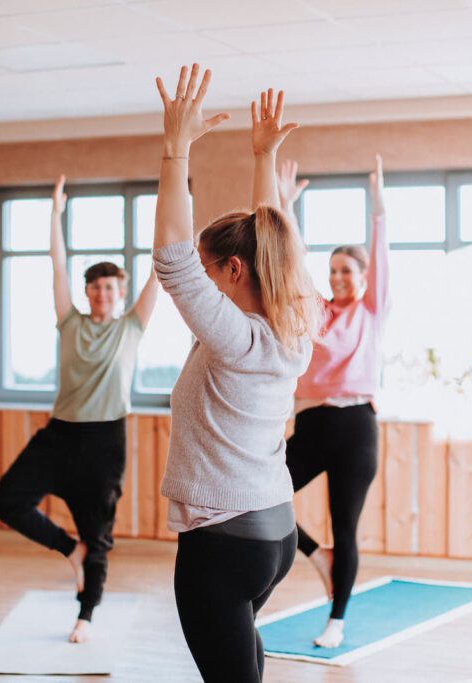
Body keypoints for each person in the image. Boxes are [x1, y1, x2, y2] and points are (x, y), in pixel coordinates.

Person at [153, 65, 319, 682]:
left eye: (207, 268)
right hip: (273, 531)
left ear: (230, 271)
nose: (199, 280)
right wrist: (264, 159)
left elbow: (171, 259)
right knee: (245, 665)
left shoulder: (237, 338)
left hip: (223, 543)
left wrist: (176, 149)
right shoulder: (292, 324)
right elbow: (272, 244)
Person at [0, 175, 159, 644]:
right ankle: (70, 550)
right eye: (96, 288)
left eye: (110, 288)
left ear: (119, 294)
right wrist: (55, 214)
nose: (102, 294)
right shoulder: (69, 323)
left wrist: (171, 206)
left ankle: (86, 614)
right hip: (59, 437)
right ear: (87, 293)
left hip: (105, 443)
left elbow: (159, 272)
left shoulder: (132, 327)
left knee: (99, 534)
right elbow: (57, 267)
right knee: (4, 500)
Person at [279, 154, 390, 648]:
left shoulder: (371, 310)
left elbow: (381, 248)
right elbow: (289, 263)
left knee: (345, 524)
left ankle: (337, 619)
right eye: (333, 270)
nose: (338, 277)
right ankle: (313, 554)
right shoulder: (316, 310)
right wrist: (284, 204)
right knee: (263, 492)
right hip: (311, 427)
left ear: (364, 276)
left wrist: (378, 203)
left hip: (355, 429)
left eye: (347, 270)